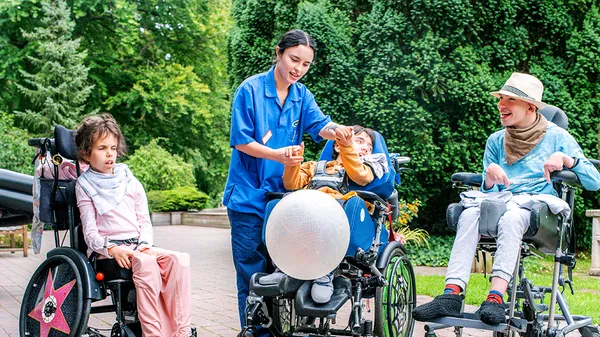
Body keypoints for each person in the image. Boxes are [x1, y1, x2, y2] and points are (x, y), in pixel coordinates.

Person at [412, 72, 600, 325]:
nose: (501, 105)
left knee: (512, 217)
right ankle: (451, 295)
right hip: (500, 202)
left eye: (510, 100)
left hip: (537, 209)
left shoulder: (557, 137)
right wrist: (488, 178)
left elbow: (594, 181)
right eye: (501, 98)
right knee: (469, 213)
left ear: (530, 107)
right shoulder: (496, 140)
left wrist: (568, 160)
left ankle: (495, 297)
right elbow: (490, 192)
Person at [223, 29, 344, 330]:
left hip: (285, 200)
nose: (298, 69)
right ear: (278, 53)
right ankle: (254, 332)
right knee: (252, 273)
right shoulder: (249, 91)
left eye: (305, 65)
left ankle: (280, 329)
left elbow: (320, 124)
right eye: (294, 60)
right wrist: (278, 155)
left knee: (283, 272)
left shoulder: (301, 96)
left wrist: (338, 130)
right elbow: (241, 141)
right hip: (248, 198)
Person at [75, 114, 192, 337]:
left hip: (139, 245)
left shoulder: (128, 177)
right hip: (109, 251)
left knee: (179, 260)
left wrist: (145, 243)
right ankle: (153, 333)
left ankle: (180, 331)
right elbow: (90, 233)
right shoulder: (85, 185)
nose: (110, 153)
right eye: (102, 148)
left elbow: (143, 220)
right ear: (86, 153)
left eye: (113, 147)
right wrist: (111, 248)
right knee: (146, 264)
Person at [259, 125, 385, 303]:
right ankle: (284, 269)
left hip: (336, 219)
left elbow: (360, 176)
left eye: (370, 146)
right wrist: (293, 163)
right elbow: (291, 183)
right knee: (281, 204)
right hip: (307, 215)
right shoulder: (314, 167)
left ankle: (324, 275)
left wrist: (348, 146)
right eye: (359, 141)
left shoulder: (365, 168)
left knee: (332, 214)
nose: (366, 147)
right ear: (336, 145)